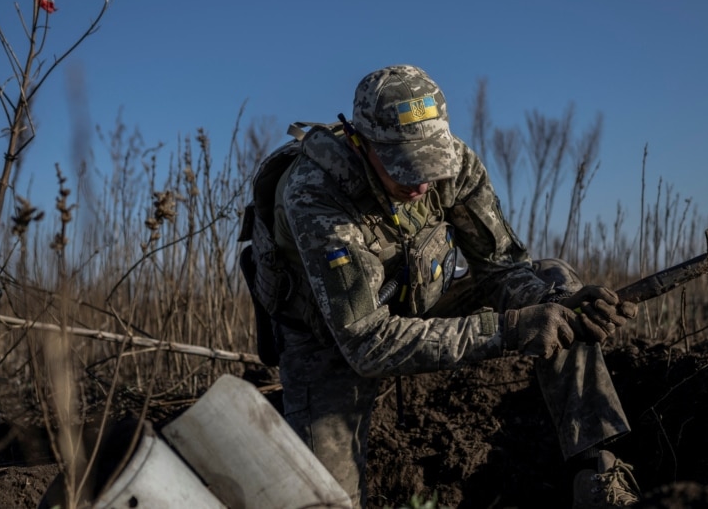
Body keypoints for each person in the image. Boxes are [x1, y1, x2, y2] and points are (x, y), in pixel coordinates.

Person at [265, 65, 639, 508]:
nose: (422, 182)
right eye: (405, 168)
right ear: (361, 144)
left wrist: (553, 308)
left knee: (552, 280)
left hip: (423, 300)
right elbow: (365, 342)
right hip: (332, 339)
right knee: (323, 499)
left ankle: (595, 470)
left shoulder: (455, 165)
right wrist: (511, 329)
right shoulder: (316, 192)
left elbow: (501, 267)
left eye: (430, 163)